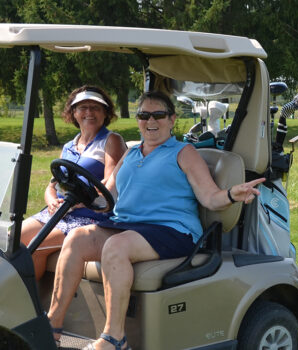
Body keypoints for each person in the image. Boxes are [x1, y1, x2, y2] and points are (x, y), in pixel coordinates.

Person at [45, 91, 264, 350]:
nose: (151, 121)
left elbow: (210, 197)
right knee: (76, 238)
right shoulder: (132, 154)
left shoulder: (183, 152)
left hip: (172, 230)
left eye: (158, 115)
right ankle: (52, 328)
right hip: (128, 225)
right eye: (143, 115)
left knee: (116, 247)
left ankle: (115, 339)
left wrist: (231, 194)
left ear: (171, 119)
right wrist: (77, 197)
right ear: (137, 120)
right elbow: (108, 196)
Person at [20, 86, 126, 281]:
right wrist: (52, 201)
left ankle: (30, 304)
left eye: (95, 107)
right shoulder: (69, 145)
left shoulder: (111, 141)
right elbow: (52, 185)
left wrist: (81, 198)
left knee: (35, 246)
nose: (89, 112)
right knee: (12, 239)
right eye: (83, 107)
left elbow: (111, 184)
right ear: (74, 113)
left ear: (105, 113)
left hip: (91, 216)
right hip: (59, 212)